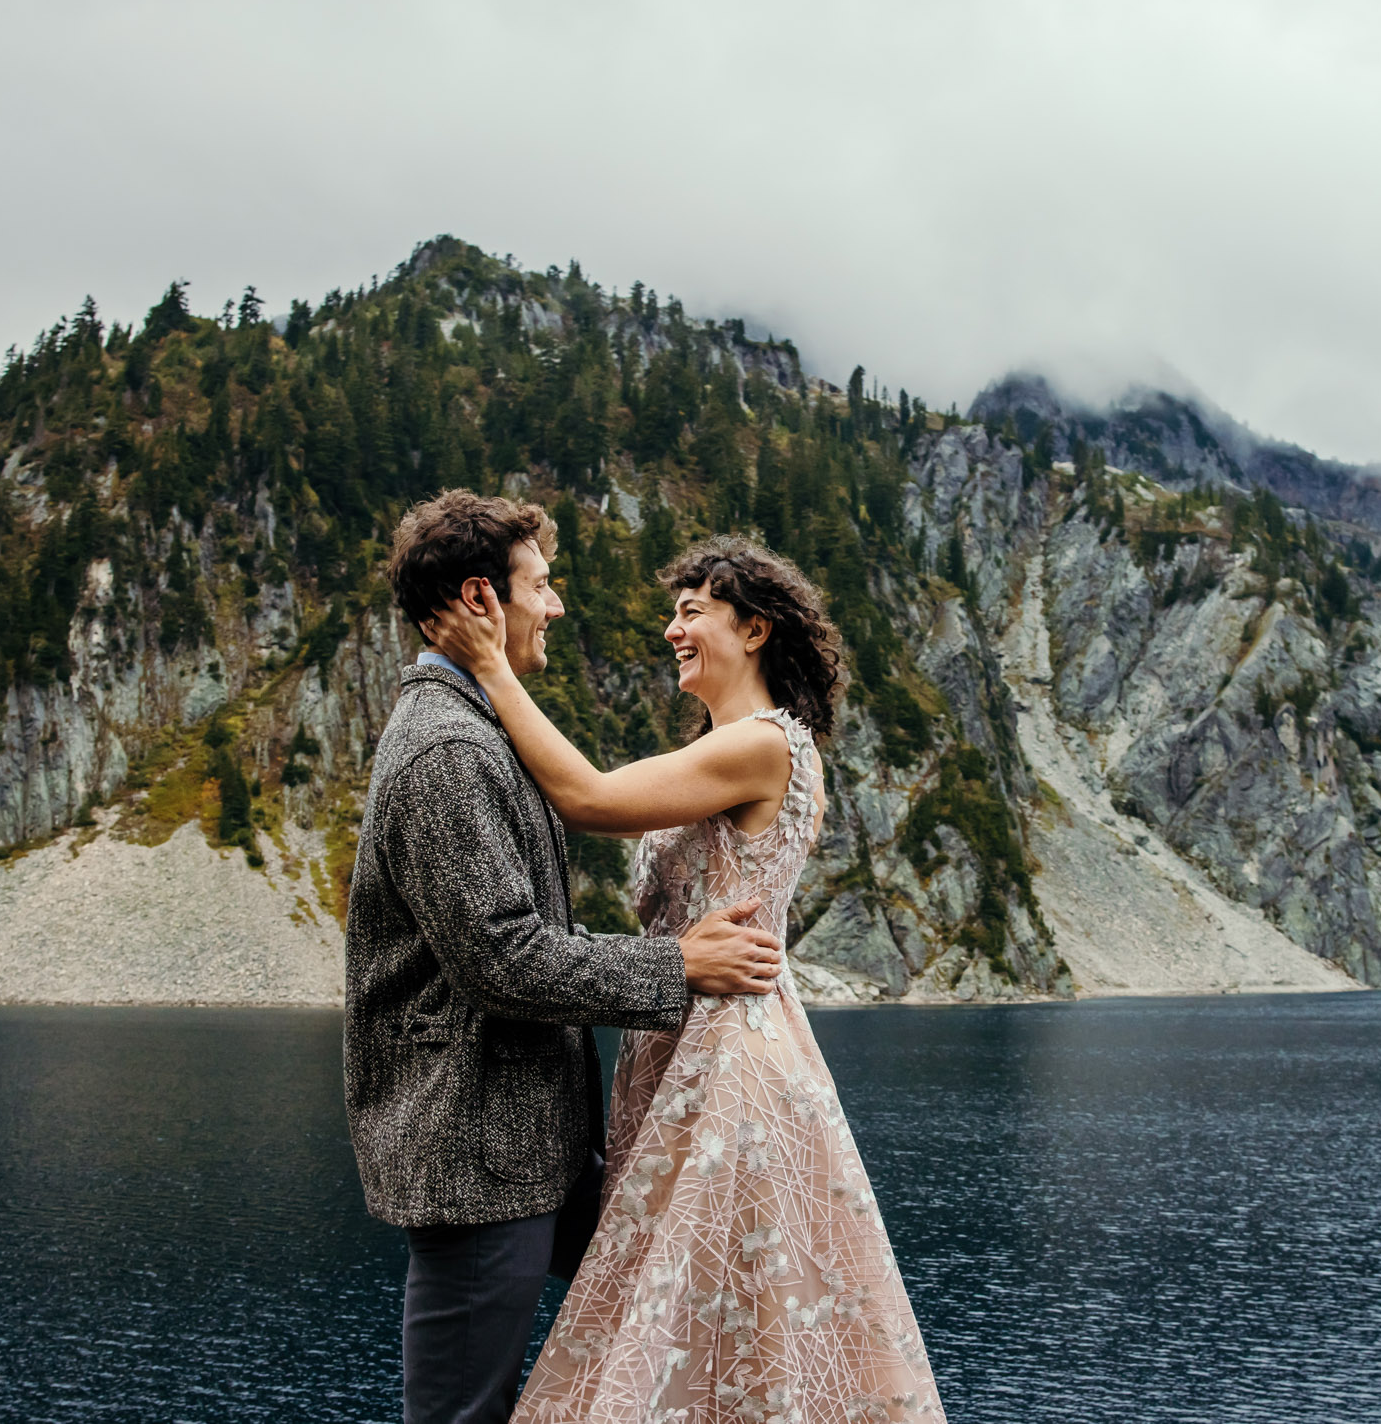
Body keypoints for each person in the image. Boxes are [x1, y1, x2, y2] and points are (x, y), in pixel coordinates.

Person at [423, 533, 945, 1424]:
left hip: (728, 1057)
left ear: (754, 629)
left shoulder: (765, 745)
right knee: (703, 1312)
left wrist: (489, 670)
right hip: (680, 1040)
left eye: (691, 610)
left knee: (692, 1304)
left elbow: (587, 799)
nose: (671, 628)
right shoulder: (728, 746)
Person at [346, 492, 787, 1424]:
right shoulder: (445, 748)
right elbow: (504, 959)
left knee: (670, 1327)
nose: (554, 607)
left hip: (527, 1147)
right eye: (540, 587)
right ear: (481, 600)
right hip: (476, 1156)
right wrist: (678, 967)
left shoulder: (479, 728)